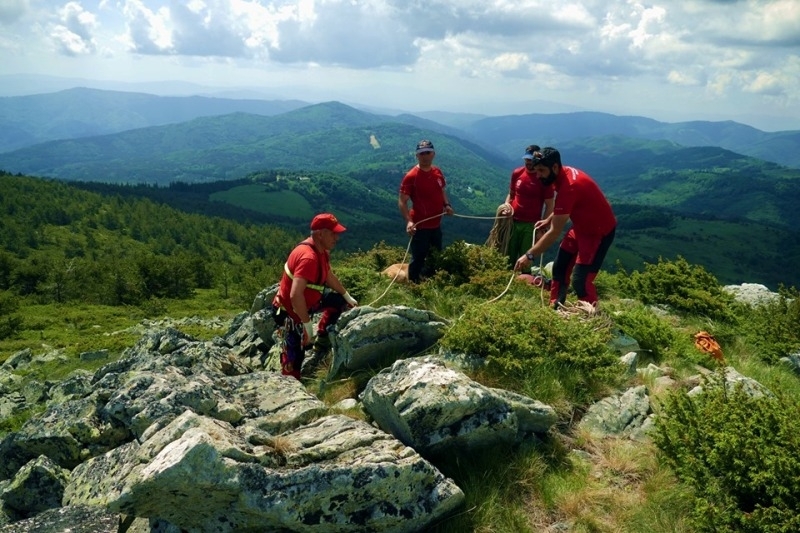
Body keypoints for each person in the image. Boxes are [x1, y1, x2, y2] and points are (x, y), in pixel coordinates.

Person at [514, 147, 616, 309]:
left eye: (541, 171)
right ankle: (555, 305)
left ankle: (590, 316)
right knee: (560, 267)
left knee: (581, 280)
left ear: (554, 167)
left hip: (597, 233)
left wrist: (529, 255)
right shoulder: (562, 175)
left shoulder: (570, 186)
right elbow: (564, 204)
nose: (537, 175)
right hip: (581, 228)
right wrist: (548, 219)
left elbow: (554, 232)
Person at [271, 213, 358, 379]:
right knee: (295, 357)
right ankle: (291, 385)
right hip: (290, 313)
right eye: (333, 233)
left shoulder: (321, 251)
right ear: (320, 234)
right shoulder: (308, 258)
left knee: (338, 303)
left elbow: (328, 276)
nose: (337, 237)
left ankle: (322, 339)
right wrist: (307, 326)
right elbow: (295, 295)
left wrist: (346, 295)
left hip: (309, 303)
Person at [398, 140, 454, 283]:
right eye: (421, 153)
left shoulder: (437, 172)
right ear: (417, 156)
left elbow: (441, 190)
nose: (425, 156)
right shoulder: (411, 176)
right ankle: (413, 287)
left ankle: (431, 284)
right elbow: (402, 201)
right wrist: (409, 221)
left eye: (427, 152)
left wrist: (446, 205)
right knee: (418, 258)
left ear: (433, 154)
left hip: (436, 224)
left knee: (435, 256)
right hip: (420, 226)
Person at [498, 144, 555, 266]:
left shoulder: (543, 178)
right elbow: (511, 195)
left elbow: (550, 205)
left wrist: (542, 228)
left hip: (531, 225)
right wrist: (506, 205)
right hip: (512, 222)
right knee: (507, 257)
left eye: (531, 159)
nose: (528, 162)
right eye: (526, 159)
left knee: (526, 259)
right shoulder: (517, 173)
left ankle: (524, 280)